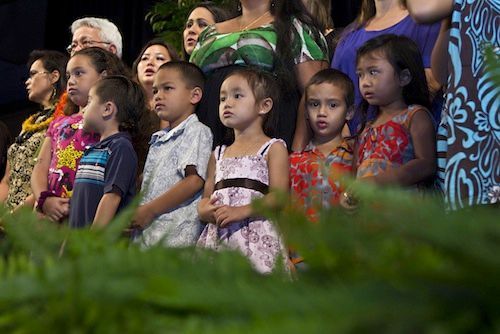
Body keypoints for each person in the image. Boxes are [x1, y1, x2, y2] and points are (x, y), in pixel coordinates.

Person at [190, 0, 328, 150]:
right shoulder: (208, 33)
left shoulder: (295, 28)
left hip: (269, 145)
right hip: (206, 143)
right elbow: (186, 86)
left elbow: (314, 94)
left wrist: (297, 152)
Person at [406, 0, 499, 208]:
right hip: (470, 138)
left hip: (487, 138)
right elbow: (442, 72)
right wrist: (449, 22)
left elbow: (422, 10)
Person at [197, 68, 289, 274]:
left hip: (256, 236)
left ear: (264, 106)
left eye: (237, 96)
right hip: (219, 238)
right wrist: (204, 210)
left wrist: (240, 211)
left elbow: (279, 197)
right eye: (222, 99)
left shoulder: (273, 148)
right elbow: (205, 198)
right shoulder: (218, 153)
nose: (227, 103)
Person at [31, 47, 127, 222]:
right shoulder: (59, 122)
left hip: (84, 214)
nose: (71, 81)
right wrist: (44, 200)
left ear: (103, 77)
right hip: (48, 214)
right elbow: (41, 165)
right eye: (68, 76)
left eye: (79, 73)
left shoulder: (107, 121)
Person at [326, 0, 441, 140]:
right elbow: (334, 91)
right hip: (354, 147)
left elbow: (431, 83)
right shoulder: (349, 35)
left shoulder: (426, 20)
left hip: (402, 143)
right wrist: (344, 137)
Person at [132, 61, 212, 247]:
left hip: (175, 237)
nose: (159, 96)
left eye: (167, 88)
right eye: (155, 91)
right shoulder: (158, 138)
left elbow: (194, 180)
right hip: (148, 235)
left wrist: (150, 210)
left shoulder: (196, 130)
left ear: (195, 95)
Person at [353, 34, 436, 192]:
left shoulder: (414, 117)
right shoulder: (364, 129)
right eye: (360, 74)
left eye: (373, 72)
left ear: (404, 77)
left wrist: (378, 182)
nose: (365, 82)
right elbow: (355, 177)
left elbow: (426, 164)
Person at [69, 76, 144, 228]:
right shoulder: (92, 150)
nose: (83, 109)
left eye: (89, 101)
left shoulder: (120, 148)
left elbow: (111, 198)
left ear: (107, 109)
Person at [0, 50, 68, 211]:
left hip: (35, 214)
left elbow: (53, 175)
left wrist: (19, 213)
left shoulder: (66, 118)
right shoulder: (31, 123)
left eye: (33, 74)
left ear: (54, 76)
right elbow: (7, 180)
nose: (27, 82)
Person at [289, 68, 355, 221]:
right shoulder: (294, 162)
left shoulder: (356, 158)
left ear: (349, 112)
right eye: (314, 104)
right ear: (305, 111)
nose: (322, 112)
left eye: (332, 105)